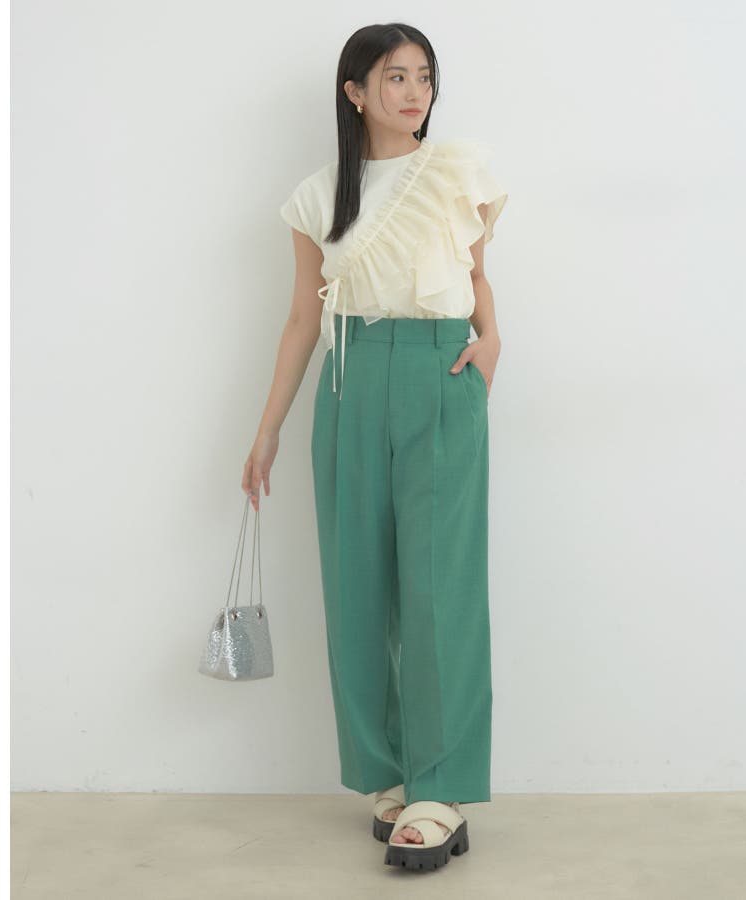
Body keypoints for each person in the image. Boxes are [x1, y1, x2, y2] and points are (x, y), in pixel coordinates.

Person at [241, 23, 507, 872]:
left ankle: (442, 788)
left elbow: (475, 274)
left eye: (424, 76)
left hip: (439, 372)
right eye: (395, 77)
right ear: (354, 91)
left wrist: (492, 341)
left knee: (439, 586)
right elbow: (301, 319)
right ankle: (389, 774)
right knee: (356, 584)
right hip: (349, 382)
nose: (414, 92)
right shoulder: (318, 196)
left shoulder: (458, 170)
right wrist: (268, 428)